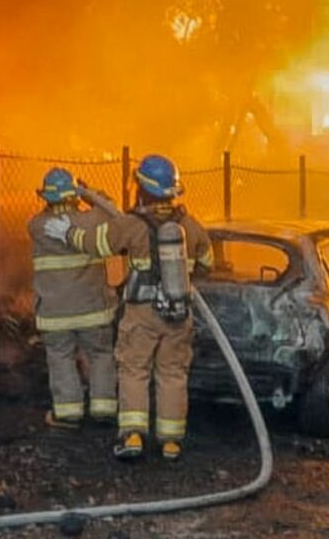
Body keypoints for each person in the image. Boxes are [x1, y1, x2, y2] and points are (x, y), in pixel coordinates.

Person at [43, 155, 213, 460]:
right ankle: (171, 442)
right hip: (179, 314)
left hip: (142, 314)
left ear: (143, 190)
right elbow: (208, 263)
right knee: (172, 374)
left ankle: (133, 437)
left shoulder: (131, 225)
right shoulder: (191, 225)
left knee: (134, 371)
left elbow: (96, 244)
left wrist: (66, 233)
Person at [28, 167, 119, 428]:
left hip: (55, 315)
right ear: (73, 195)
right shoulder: (93, 221)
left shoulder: (37, 226)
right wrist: (88, 193)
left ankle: (68, 412)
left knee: (60, 357)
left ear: (46, 197)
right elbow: (113, 210)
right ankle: (104, 407)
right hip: (93, 310)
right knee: (101, 354)